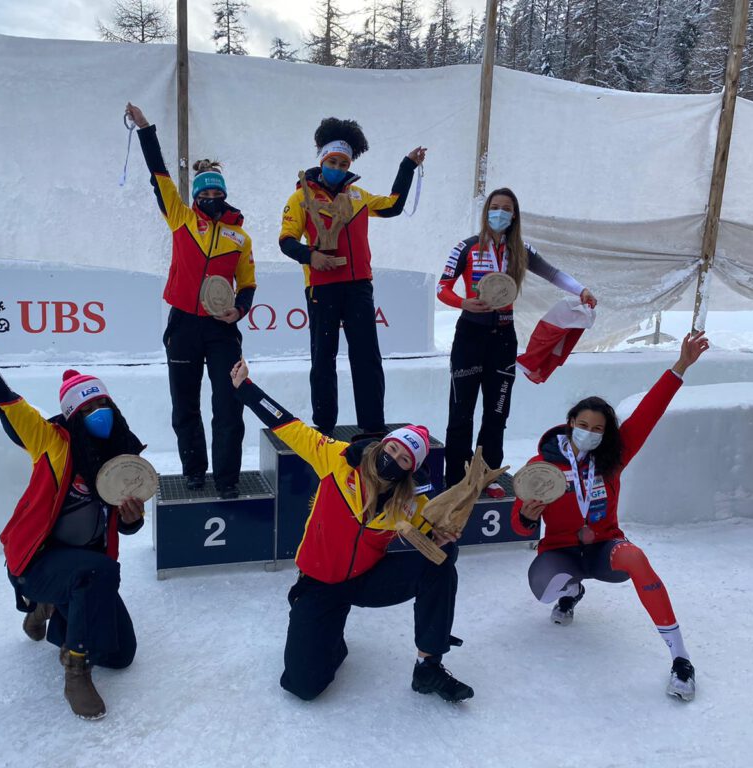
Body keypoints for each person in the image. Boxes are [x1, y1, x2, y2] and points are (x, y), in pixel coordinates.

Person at [0, 301, 148, 720]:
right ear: (72, 417)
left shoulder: (123, 458)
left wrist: (132, 519)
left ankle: (50, 611)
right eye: (88, 410)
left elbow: (121, 526)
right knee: (100, 575)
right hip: (37, 563)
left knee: (122, 654)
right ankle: (75, 669)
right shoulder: (52, 443)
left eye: (104, 405)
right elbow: (2, 396)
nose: (100, 415)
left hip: (84, 567)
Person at [229, 357, 473, 703]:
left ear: (410, 470)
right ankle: (327, 633)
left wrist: (443, 537)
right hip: (318, 583)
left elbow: (432, 538)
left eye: (405, 460)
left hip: (366, 580)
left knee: (442, 561)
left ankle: (429, 666)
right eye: (393, 448)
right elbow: (288, 425)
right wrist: (247, 390)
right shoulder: (337, 458)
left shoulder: (410, 501)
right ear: (382, 445)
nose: (395, 459)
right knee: (302, 686)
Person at [510, 331, 711, 702]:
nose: (590, 433)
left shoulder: (612, 459)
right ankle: (571, 592)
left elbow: (650, 411)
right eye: (584, 425)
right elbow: (517, 524)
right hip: (560, 552)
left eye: (598, 429)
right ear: (570, 422)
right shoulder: (541, 467)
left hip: (605, 550)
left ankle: (681, 658)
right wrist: (526, 514)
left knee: (634, 556)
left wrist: (681, 366)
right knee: (545, 589)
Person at [127, 102, 256, 499]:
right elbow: (159, 175)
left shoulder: (240, 237)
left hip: (221, 328)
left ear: (226, 195)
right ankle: (195, 472)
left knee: (229, 405)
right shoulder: (181, 218)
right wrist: (146, 128)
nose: (212, 197)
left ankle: (228, 478)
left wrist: (241, 309)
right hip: (182, 323)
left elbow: (247, 283)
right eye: (206, 192)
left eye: (218, 192)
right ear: (196, 197)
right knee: (185, 405)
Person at [437, 187, 597, 493]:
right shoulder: (466, 247)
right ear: (487, 213)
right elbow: (442, 287)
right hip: (470, 334)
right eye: (495, 207)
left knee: (497, 413)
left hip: (503, 339)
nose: (500, 213)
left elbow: (554, 275)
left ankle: (487, 477)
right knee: (461, 413)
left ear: (514, 215)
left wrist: (581, 290)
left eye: (506, 209)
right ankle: (455, 480)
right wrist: (462, 303)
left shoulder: (521, 250)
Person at [279, 117, 425, 436]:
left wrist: (407, 166)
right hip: (321, 287)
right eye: (332, 161)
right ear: (322, 160)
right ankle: (324, 425)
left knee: (366, 357)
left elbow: (392, 207)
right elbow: (286, 240)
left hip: (359, 286)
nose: (338, 166)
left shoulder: (358, 196)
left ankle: (372, 427)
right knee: (323, 358)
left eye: (343, 163)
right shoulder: (300, 197)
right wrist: (311, 256)